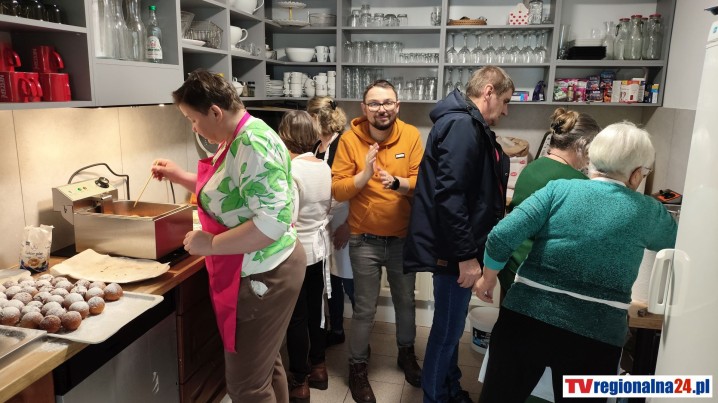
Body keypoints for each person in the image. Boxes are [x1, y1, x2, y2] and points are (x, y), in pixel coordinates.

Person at [475, 122, 678, 402]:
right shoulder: (648, 211)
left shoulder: (558, 190)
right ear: (635, 175)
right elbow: (681, 243)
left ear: (592, 160)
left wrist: (487, 279)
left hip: (525, 320)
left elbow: (501, 236)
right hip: (596, 335)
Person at [151, 69, 305, 403]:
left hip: (267, 273)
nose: (194, 128)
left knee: (247, 386)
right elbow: (227, 189)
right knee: (265, 368)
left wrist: (211, 244)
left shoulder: (252, 144)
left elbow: (272, 223)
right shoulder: (236, 138)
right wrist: (179, 176)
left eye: (193, 119)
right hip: (261, 265)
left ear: (215, 112)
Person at [403, 65, 513, 403]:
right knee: (447, 333)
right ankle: (436, 397)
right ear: (489, 91)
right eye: (506, 101)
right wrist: (466, 257)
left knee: (449, 329)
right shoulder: (462, 124)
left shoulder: (466, 123)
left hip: (459, 248)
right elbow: (450, 197)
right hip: (455, 252)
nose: (506, 111)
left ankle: (449, 388)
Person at [331, 79, 424, 403]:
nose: (381, 109)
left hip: (402, 239)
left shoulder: (410, 135)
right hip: (364, 241)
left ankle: (406, 354)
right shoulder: (349, 140)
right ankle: (357, 368)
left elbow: (421, 181)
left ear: (397, 106)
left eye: (387, 103)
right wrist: (364, 175)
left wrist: (398, 183)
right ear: (364, 108)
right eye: (374, 103)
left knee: (406, 302)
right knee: (365, 309)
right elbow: (337, 188)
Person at [497, 108, 601, 296]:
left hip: (511, 266)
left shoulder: (532, 168)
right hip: (538, 277)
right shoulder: (576, 181)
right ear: (582, 145)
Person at [277, 110, 333, 403]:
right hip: (320, 250)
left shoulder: (291, 170)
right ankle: (319, 368)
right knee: (317, 312)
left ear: (284, 137)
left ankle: (299, 379)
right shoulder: (323, 166)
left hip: (297, 252)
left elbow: (289, 218)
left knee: (296, 318)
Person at [307, 96, 354, 348]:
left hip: (345, 218)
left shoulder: (345, 143)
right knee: (331, 280)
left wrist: (349, 226)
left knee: (351, 281)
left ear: (317, 118)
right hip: (324, 222)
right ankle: (337, 329)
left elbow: (358, 189)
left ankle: (361, 336)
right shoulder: (316, 146)